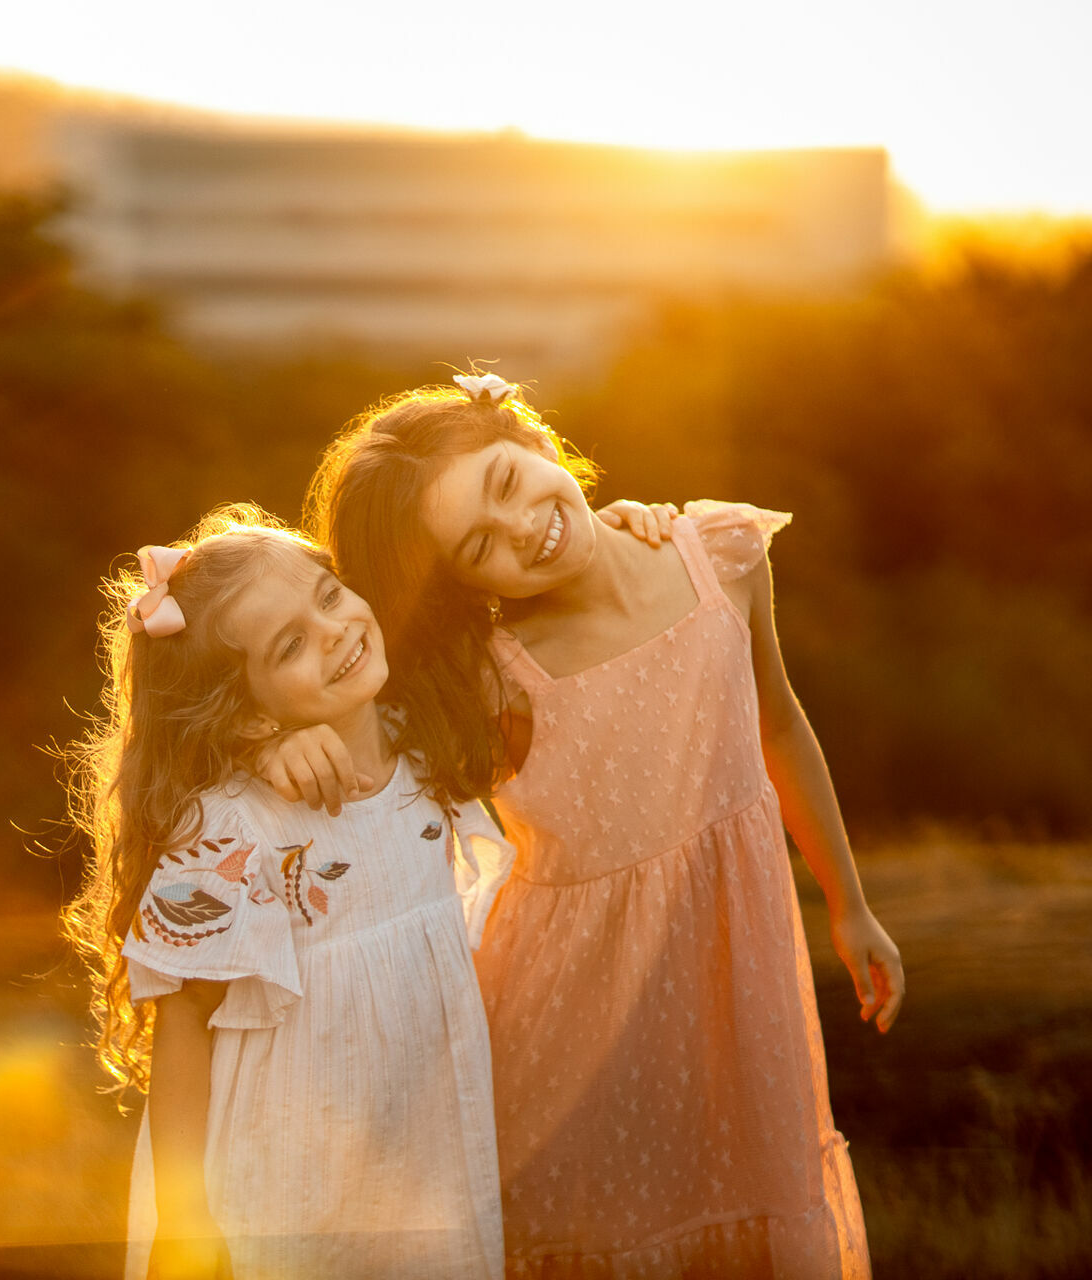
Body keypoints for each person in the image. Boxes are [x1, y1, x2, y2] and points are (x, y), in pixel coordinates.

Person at [263, 374, 903, 1277]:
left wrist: (850, 904)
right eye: (480, 545)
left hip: (740, 981)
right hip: (568, 1021)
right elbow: (358, 745)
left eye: (505, 482)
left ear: (533, 437)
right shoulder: (490, 678)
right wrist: (281, 744)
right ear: (462, 584)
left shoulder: (720, 557)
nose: (521, 528)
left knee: (753, 1205)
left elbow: (781, 729)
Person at [62, 504, 515, 1280]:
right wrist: (184, 1219)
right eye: (290, 645)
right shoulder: (234, 829)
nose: (334, 631)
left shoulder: (420, 737)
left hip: (421, 1159)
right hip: (280, 1188)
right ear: (245, 716)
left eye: (329, 595)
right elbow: (184, 1024)